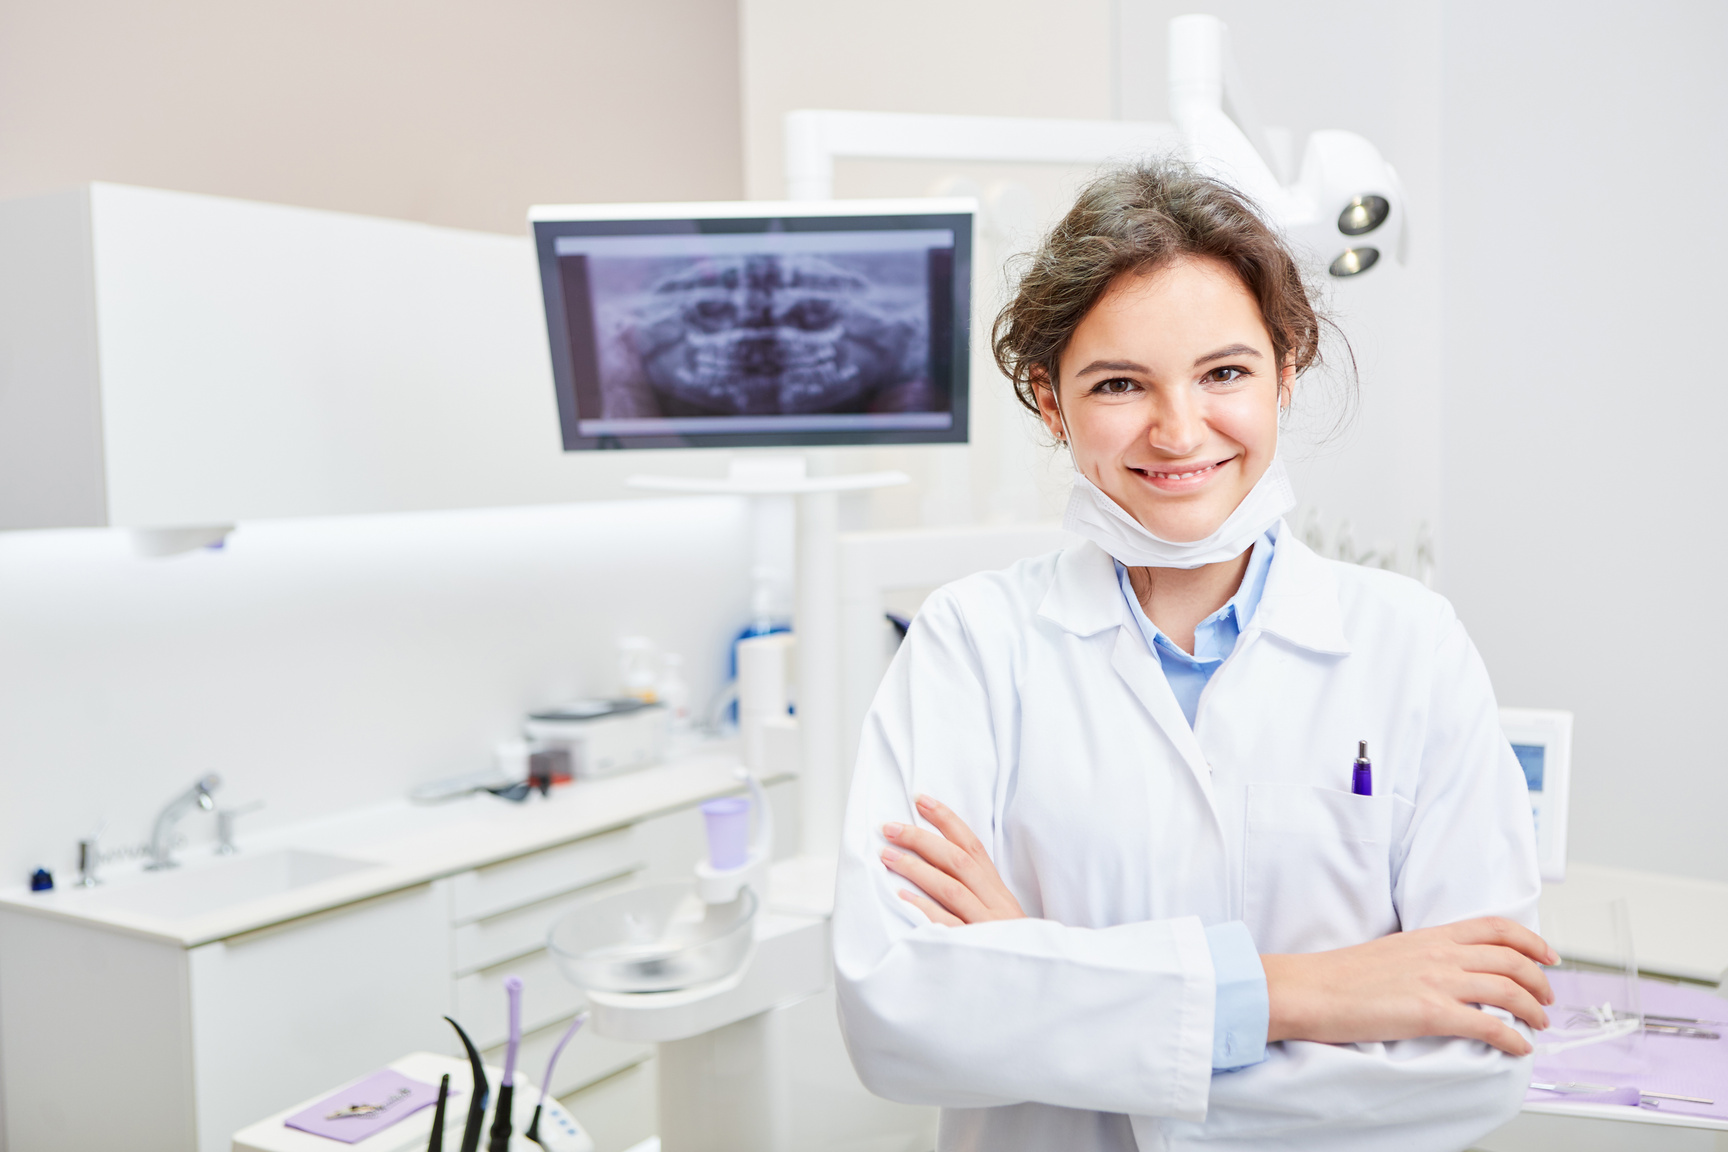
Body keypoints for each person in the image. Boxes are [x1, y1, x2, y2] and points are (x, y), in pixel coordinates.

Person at [831, 162, 1553, 1152]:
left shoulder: (1411, 647)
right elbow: (898, 1015)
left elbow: (1479, 1059)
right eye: (1120, 384)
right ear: (1050, 401)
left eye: (1224, 373)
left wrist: (1041, 979)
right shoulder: (972, 643)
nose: (1179, 430)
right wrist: (1307, 991)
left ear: (1285, 370)